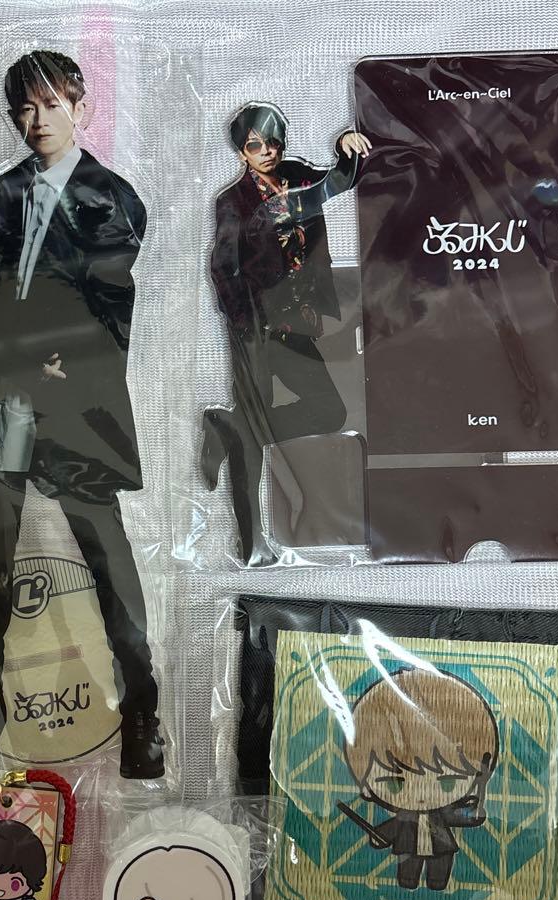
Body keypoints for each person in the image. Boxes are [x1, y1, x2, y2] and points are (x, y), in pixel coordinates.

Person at [0, 49, 164, 778]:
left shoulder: (112, 199)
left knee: (107, 564)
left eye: (52, 104)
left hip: (74, 407)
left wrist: (22, 351)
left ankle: (142, 718)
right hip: (6, 404)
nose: (38, 120)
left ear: (81, 108)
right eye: (24, 108)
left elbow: (101, 307)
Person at [202, 102, 371, 565]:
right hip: (255, 329)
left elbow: (339, 181)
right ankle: (252, 539)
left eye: (273, 141)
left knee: (328, 411)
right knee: (255, 432)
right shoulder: (233, 201)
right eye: (255, 144)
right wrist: (244, 326)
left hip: (297, 323)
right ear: (241, 151)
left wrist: (346, 146)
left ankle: (229, 425)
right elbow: (222, 268)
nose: (267, 151)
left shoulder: (296, 177)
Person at [340, 667, 499, 891]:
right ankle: (407, 884)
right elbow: (393, 827)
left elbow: (470, 817)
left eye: (447, 783)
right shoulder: (405, 815)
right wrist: (380, 836)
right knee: (407, 873)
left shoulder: (444, 812)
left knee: (439, 874)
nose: (421, 792)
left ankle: (437, 885)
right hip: (408, 849)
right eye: (395, 784)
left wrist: (478, 802)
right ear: (366, 787)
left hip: (441, 848)